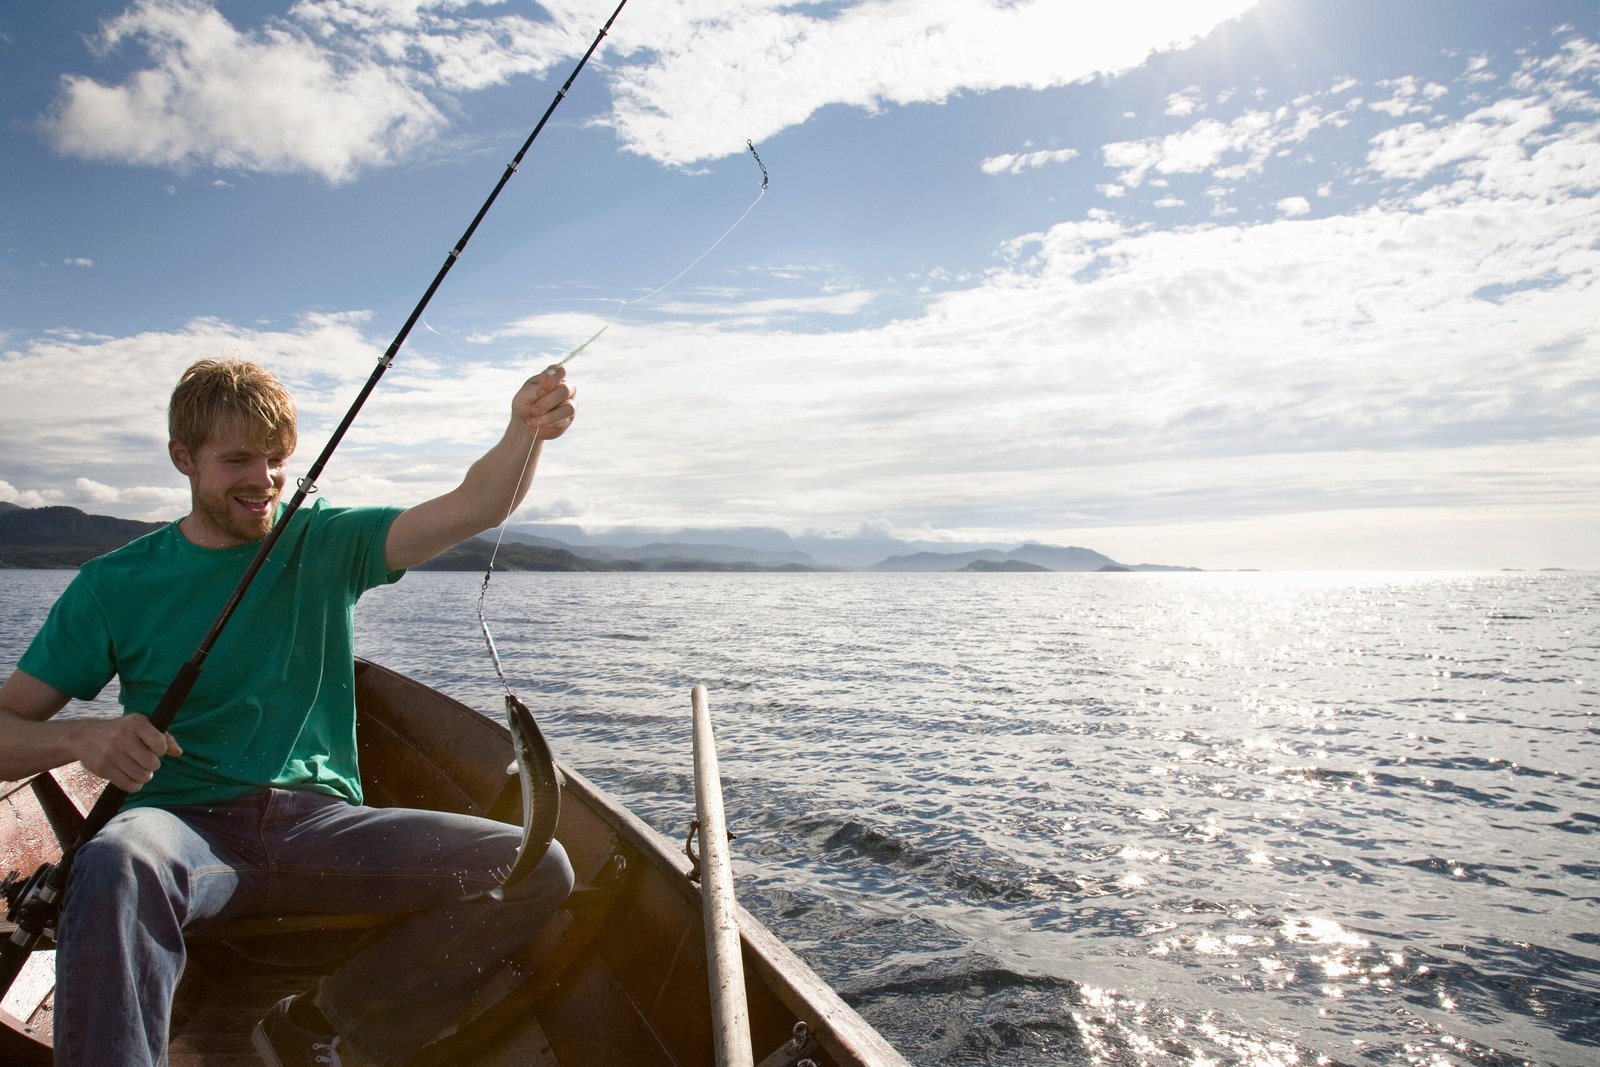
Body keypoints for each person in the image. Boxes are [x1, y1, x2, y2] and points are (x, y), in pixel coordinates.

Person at [0, 357, 579, 1066]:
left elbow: (473, 505)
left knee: (535, 863)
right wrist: (85, 735)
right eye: (238, 458)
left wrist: (526, 430)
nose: (264, 478)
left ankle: (320, 1025)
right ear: (183, 457)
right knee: (116, 861)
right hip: (184, 831)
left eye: (276, 459)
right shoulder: (111, 585)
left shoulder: (326, 540)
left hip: (325, 827)